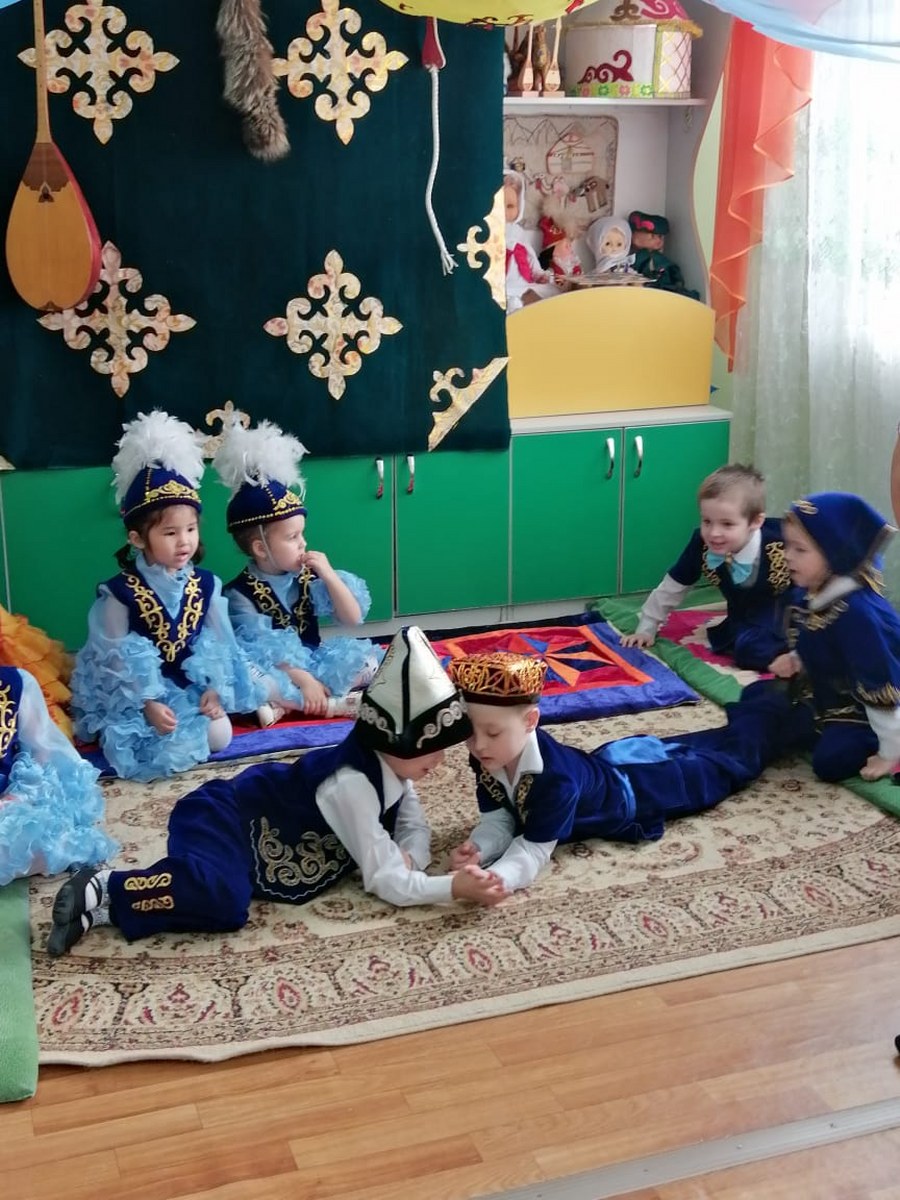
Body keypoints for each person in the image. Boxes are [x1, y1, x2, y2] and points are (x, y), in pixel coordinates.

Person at [47, 627, 508, 957]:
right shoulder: (352, 783)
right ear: (393, 742)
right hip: (221, 816)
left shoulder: (394, 770)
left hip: (246, 837)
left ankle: (101, 910)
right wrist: (451, 887)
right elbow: (384, 879)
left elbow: (413, 824)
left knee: (226, 903)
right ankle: (105, 885)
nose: (439, 761)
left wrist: (414, 853)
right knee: (223, 897)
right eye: (430, 750)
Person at [446, 651, 804, 894]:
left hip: (642, 791)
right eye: (470, 734)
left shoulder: (555, 780)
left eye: (492, 733)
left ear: (530, 722)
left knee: (733, 762)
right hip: (608, 765)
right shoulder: (488, 756)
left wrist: (498, 878)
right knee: (709, 745)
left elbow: (534, 849)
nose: (478, 745)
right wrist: (480, 847)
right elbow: (500, 817)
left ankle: (791, 707)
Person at [70, 410, 266, 782]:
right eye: (170, 533)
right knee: (130, 743)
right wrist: (146, 703)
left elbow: (221, 643)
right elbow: (113, 658)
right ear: (137, 539)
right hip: (139, 696)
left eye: (191, 529)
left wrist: (214, 690)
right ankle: (149, 727)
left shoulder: (206, 585)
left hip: (187, 688)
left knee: (220, 734)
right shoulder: (119, 593)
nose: (184, 541)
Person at [214, 414, 382, 723]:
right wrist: (303, 680)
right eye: (292, 538)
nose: (303, 543)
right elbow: (258, 649)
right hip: (278, 669)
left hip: (316, 661)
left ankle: (286, 706)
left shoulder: (309, 576)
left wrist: (328, 575)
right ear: (261, 548)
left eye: (302, 534)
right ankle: (330, 704)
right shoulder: (239, 595)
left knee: (368, 661)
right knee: (245, 678)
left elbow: (353, 618)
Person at [769, 491, 900, 783]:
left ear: (834, 553)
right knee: (764, 704)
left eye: (800, 549)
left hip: (871, 706)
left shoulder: (858, 614)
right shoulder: (812, 592)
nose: (787, 555)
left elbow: (879, 683)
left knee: (831, 761)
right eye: (787, 545)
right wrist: (796, 658)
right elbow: (819, 639)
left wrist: (890, 751)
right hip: (829, 692)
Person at [620, 464, 793, 671]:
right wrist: (647, 628)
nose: (714, 533)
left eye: (727, 524)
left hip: (786, 613)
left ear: (755, 521)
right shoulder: (701, 544)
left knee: (754, 650)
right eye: (707, 521)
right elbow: (674, 584)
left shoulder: (783, 542)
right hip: (741, 616)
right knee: (741, 646)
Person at [0, 665, 116, 888]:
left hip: (8, 806)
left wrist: (16, 798)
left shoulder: (15, 683)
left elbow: (41, 754)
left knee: (36, 841)